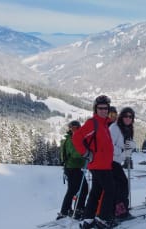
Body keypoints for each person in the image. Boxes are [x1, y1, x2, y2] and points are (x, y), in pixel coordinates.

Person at [72, 95, 117, 229]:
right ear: (95, 109)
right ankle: (103, 219)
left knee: (96, 191)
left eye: (106, 108)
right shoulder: (93, 123)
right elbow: (76, 138)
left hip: (102, 165)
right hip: (99, 165)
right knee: (110, 190)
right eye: (100, 108)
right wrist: (85, 153)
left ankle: (88, 219)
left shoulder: (104, 123)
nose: (103, 110)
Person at [108, 107, 136, 221]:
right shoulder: (114, 128)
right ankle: (120, 211)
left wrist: (130, 149)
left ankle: (120, 209)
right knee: (122, 184)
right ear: (121, 117)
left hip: (117, 161)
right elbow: (109, 144)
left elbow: (127, 146)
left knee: (121, 185)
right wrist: (122, 150)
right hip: (110, 161)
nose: (128, 118)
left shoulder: (128, 129)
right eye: (126, 116)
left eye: (130, 117)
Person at [57, 120, 88, 220]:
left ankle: (66, 210)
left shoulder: (73, 138)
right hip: (73, 168)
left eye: (77, 128)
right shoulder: (71, 140)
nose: (75, 130)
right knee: (82, 189)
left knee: (73, 190)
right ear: (70, 129)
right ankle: (77, 209)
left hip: (73, 168)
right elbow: (75, 154)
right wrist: (87, 154)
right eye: (73, 128)